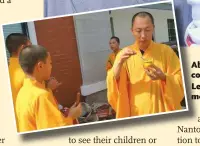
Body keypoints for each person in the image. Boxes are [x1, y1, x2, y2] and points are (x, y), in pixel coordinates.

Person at [107, 12, 184, 118]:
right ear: (132, 31)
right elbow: (114, 84)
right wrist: (119, 63)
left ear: (153, 28)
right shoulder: (123, 54)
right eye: (138, 31)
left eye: (147, 30)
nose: (143, 35)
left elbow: (180, 78)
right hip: (136, 112)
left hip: (163, 109)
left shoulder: (166, 51)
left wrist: (164, 77)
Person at [16, 45, 81, 132]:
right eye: (50, 63)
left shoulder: (22, 91)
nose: (51, 67)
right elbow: (53, 131)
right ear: (40, 66)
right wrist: (72, 116)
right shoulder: (41, 96)